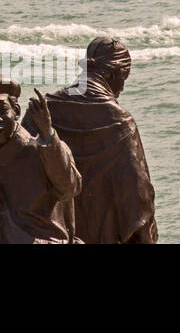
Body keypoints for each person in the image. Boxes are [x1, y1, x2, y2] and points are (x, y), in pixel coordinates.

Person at [23, 37, 157, 244]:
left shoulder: (44, 109)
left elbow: (16, 168)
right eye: (124, 78)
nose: (122, 87)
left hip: (51, 234)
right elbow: (139, 198)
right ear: (113, 74)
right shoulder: (121, 122)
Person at [0, 77, 81, 244]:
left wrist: (47, 133)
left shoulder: (44, 151)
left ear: (16, 111)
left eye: (2, 110)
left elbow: (69, 187)